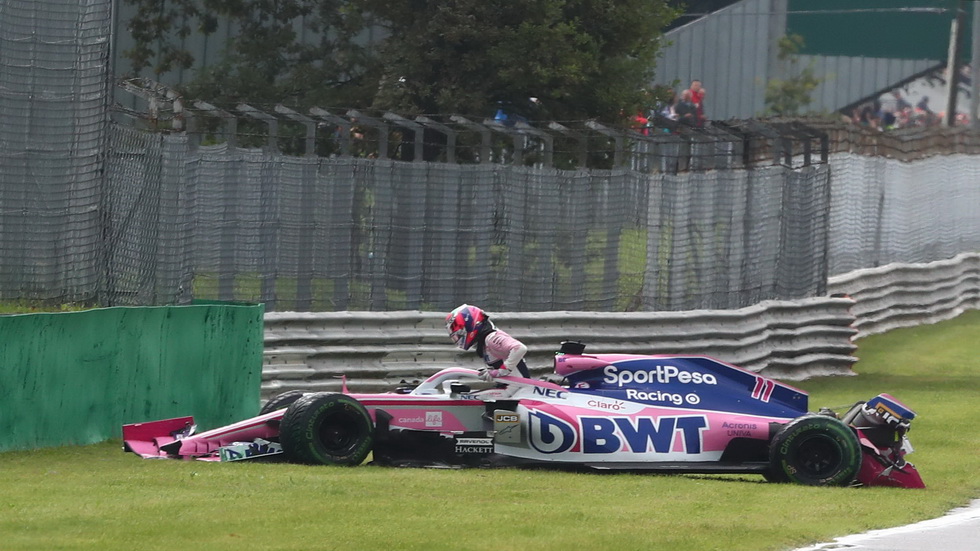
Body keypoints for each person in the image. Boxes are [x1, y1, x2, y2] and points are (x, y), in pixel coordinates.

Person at [445, 304, 530, 380]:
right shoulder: (484, 343)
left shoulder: (491, 338)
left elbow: (520, 348)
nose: (458, 338)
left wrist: (502, 370)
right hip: (512, 390)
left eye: (459, 335)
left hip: (520, 390)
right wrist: (490, 371)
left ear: (470, 325)